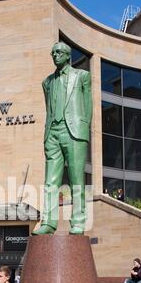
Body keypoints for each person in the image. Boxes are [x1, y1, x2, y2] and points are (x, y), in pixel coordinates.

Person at [32, 41, 92, 236]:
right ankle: (48, 222)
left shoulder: (81, 76)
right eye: (53, 53)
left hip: (73, 131)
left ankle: (78, 222)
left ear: (68, 56)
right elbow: (49, 108)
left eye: (59, 52)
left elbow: (88, 105)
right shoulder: (47, 82)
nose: (55, 55)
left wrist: (83, 127)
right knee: (50, 181)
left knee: (76, 180)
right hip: (53, 132)